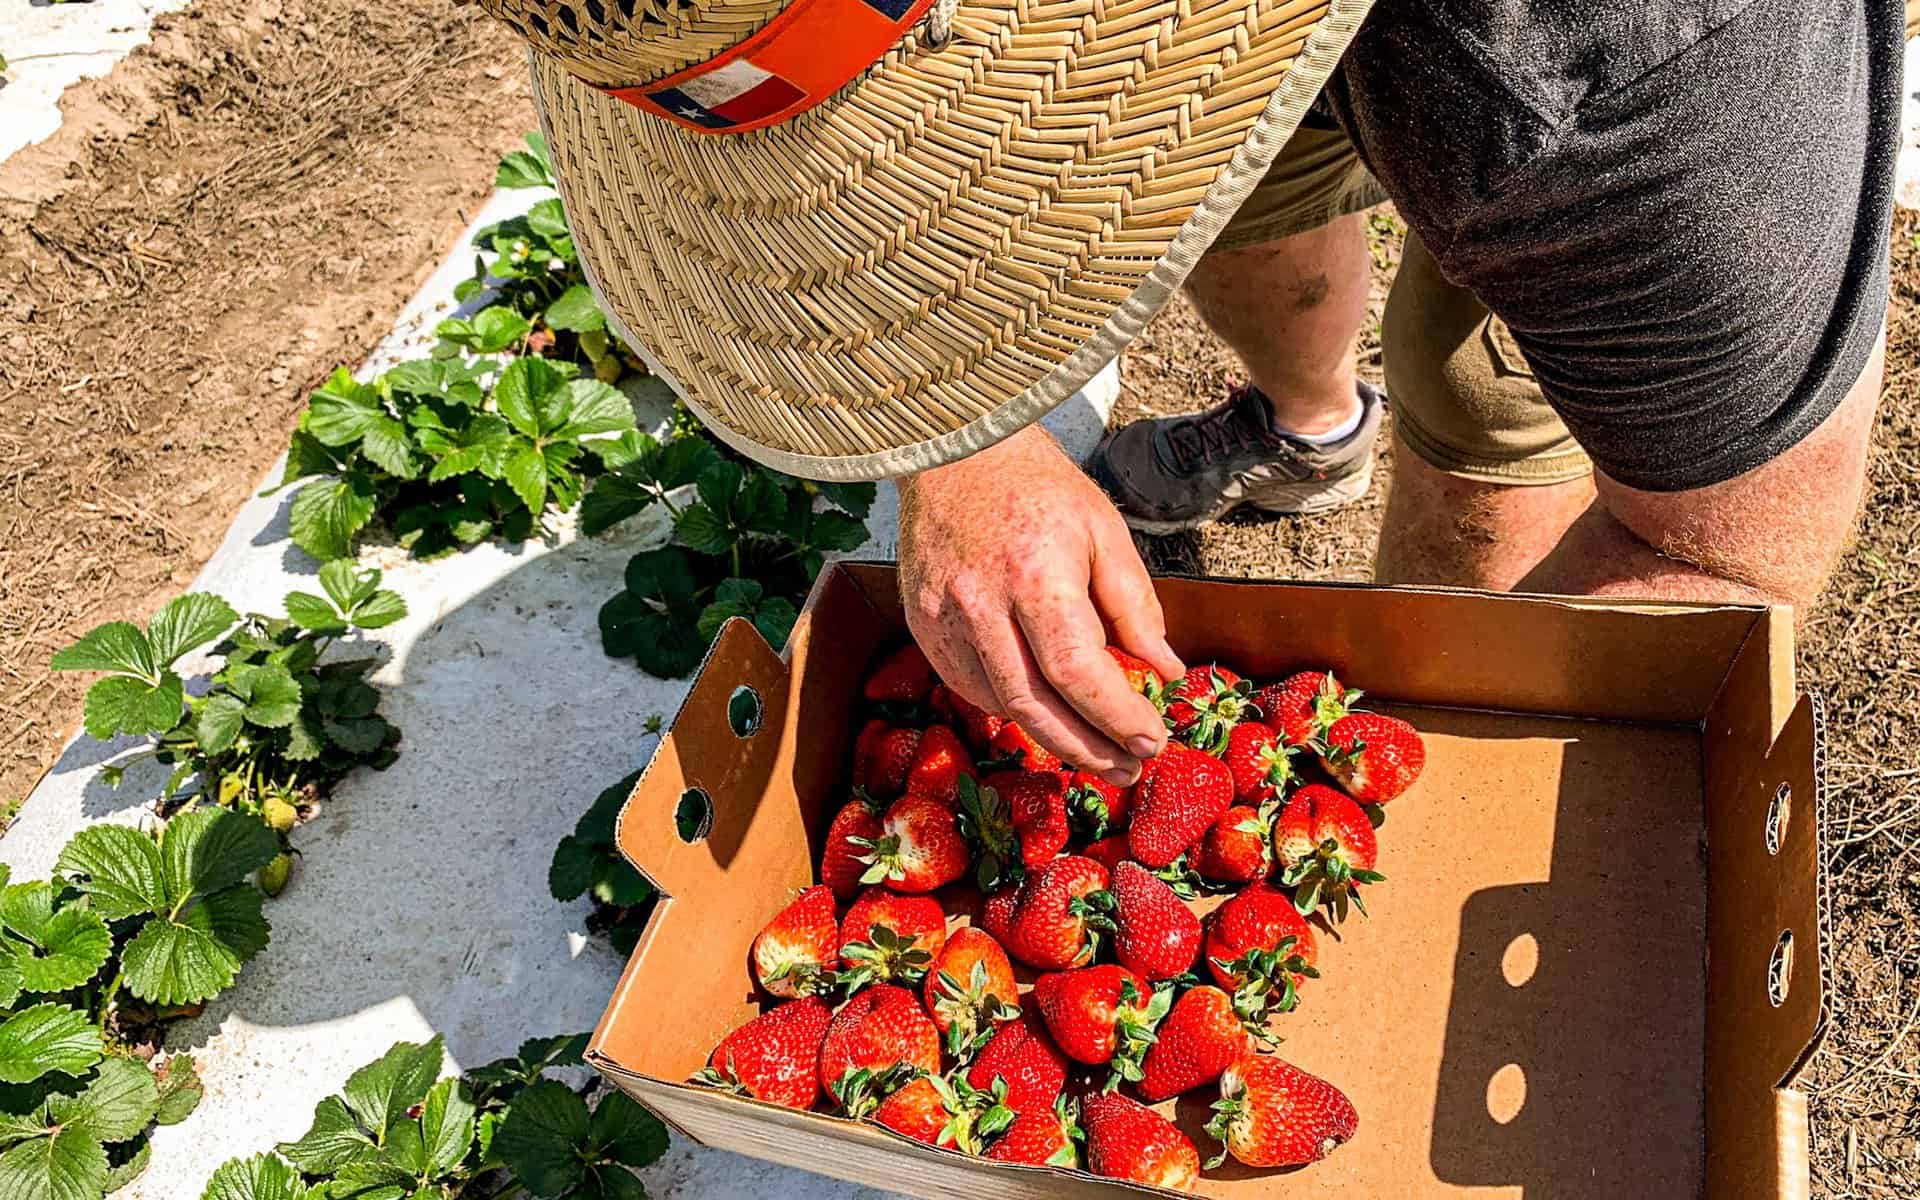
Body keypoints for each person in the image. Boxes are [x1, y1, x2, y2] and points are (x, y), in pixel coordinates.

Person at [479, 0, 1898, 787]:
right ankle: (1309, 427)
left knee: (1479, 406)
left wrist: (1398, 793)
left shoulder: (1632, 83)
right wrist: (958, 447)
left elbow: (1716, 552)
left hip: (1555, 102)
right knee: (1238, 195)